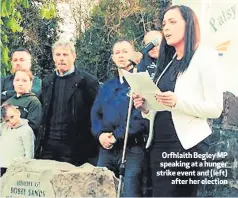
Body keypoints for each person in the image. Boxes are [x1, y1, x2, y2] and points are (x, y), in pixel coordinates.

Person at [133, 5, 223, 197]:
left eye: (173, 22)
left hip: (186, 146)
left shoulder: (205, 56)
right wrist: (145, 107)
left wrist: (177, 102)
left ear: (189, 24)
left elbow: (215, 108)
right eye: (164, 23)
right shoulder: (168, 61)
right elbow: (161, 105)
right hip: (159, 143)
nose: (166, 28)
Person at [91, 39, 147, 197]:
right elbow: (95, 113)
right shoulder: (106, 86)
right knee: (100, 190)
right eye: (117, 53)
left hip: (131, 149)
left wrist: (116, 136)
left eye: (125, 52)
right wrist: (100, 134)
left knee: (130, 191)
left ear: (134, 55)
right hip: (106, 149)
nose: (121, 56)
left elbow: (140, 119)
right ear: (113, 58)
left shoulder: (141, 83)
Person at [38, 40, 99, 166]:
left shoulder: (87, 81)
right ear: (53, 57)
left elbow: (98, 112)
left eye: (65, 55)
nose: (61, 59)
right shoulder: (47, 81)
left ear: (74, 56)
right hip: (49, 144)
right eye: (58, 55)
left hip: (74, 145)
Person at [0, 104, 35, 176]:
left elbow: (29, 154)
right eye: (7, 121)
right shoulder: (4, 128)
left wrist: (25, 169)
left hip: (17, 168)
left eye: (12, 117)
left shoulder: (26, 130)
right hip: (2, 165)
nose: (11, 122)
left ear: (18, 112)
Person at [5, 68, 42, 135]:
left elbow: (33, 126)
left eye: (24, 81)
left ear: (30, 83)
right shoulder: (8, 102)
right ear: (13, 82)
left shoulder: (34, 102)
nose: (20, 84)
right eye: (17, 80)